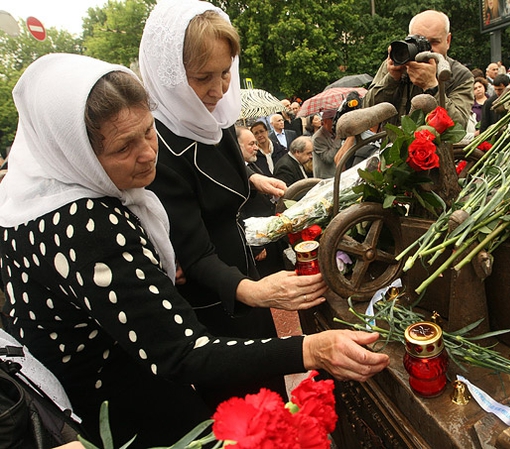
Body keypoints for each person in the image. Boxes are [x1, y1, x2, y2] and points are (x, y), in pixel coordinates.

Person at [0, 51, 389, 447]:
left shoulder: (31, 201)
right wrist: (312, 349)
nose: (148, 153)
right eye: (123, 148)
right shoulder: (86, 224)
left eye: (149, 132)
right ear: (74, 153)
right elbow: (184, 352)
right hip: (121, 410)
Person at [140, 0, 381, 407]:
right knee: (246, 409)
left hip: (245, 278)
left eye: (225, 73)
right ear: (170, 77)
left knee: (269, 388)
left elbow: (218, 179)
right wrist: (252, 290)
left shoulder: (214, 120)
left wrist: (251, 179)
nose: (218, 90)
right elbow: (194, 253)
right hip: (215, 299)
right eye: (203, 78)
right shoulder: (158, 146)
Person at [364, 10, 474, 128]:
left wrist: (432, 87)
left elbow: (458, 125)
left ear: (448, 41)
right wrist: (391, 79)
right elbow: (366, 110)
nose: (426, 50)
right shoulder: (396, 63)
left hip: (433, 145)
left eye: (434, 42)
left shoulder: (460, 75)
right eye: (418, 42)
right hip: (391, 144)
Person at [236, 126, 285, 276]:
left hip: (269, 236)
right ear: (236, 147)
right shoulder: (236, 175)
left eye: (255, 143)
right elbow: (239, 213)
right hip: (259, 242)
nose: (256, 148)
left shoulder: (251, 166)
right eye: (251, 144)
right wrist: (255, 246)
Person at [311, 109, 341, 178]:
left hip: (339, 174)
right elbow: (328, 158)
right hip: (326, 178)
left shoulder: (335, 132)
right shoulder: (318, 138)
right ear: (325, 121)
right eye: (333, 120)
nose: (336, 123)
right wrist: (338, 139)